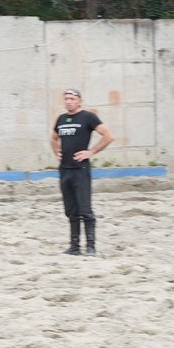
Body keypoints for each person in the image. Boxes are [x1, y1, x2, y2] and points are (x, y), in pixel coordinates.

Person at [51, 88, 115, 256]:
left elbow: (108, 136)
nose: (68, 101)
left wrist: (91, 152)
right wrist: (56, 151)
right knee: (71, 211)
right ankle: (74, 247)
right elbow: (53, 138)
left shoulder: (88, 117)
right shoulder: (61, 119)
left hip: (81, 170)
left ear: (79, 101)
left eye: (72, 98)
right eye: (66, 98)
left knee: (85, 210)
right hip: (65, 170)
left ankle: (91, 247)